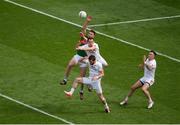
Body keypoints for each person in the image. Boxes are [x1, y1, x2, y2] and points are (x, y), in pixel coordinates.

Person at [60, 16, 94, 100]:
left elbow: (90, 53)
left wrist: (84, 58)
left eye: (91, 34)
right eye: (89, 33)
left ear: (93, 36)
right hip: (78, 55)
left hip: (85, 59)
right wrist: (87, 21)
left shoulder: (92, 43)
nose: (89, 34)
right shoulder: (83, 37)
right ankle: (65, 79)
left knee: (81, 77)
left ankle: (82, 90)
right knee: (70, 64)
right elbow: (83, 28)